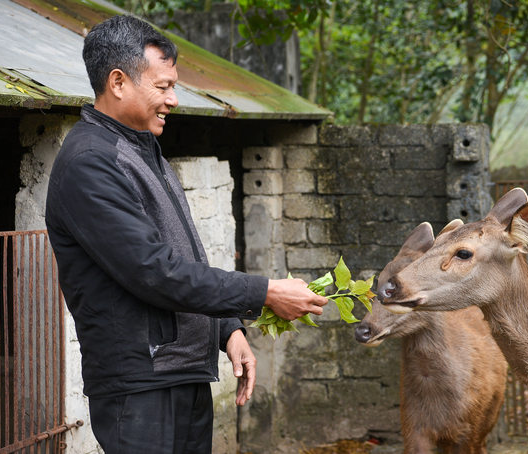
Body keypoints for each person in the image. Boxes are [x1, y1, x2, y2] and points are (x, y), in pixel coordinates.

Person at [45, 14, 327, 454]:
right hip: (139, 385)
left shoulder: (143, 150)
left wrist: (228, 330)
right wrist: (264, 292)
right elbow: (154, 271)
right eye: (162, 87)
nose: (173, 100)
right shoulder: (90, 162)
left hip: (181, 373)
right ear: (118, 82)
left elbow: (183, 256)